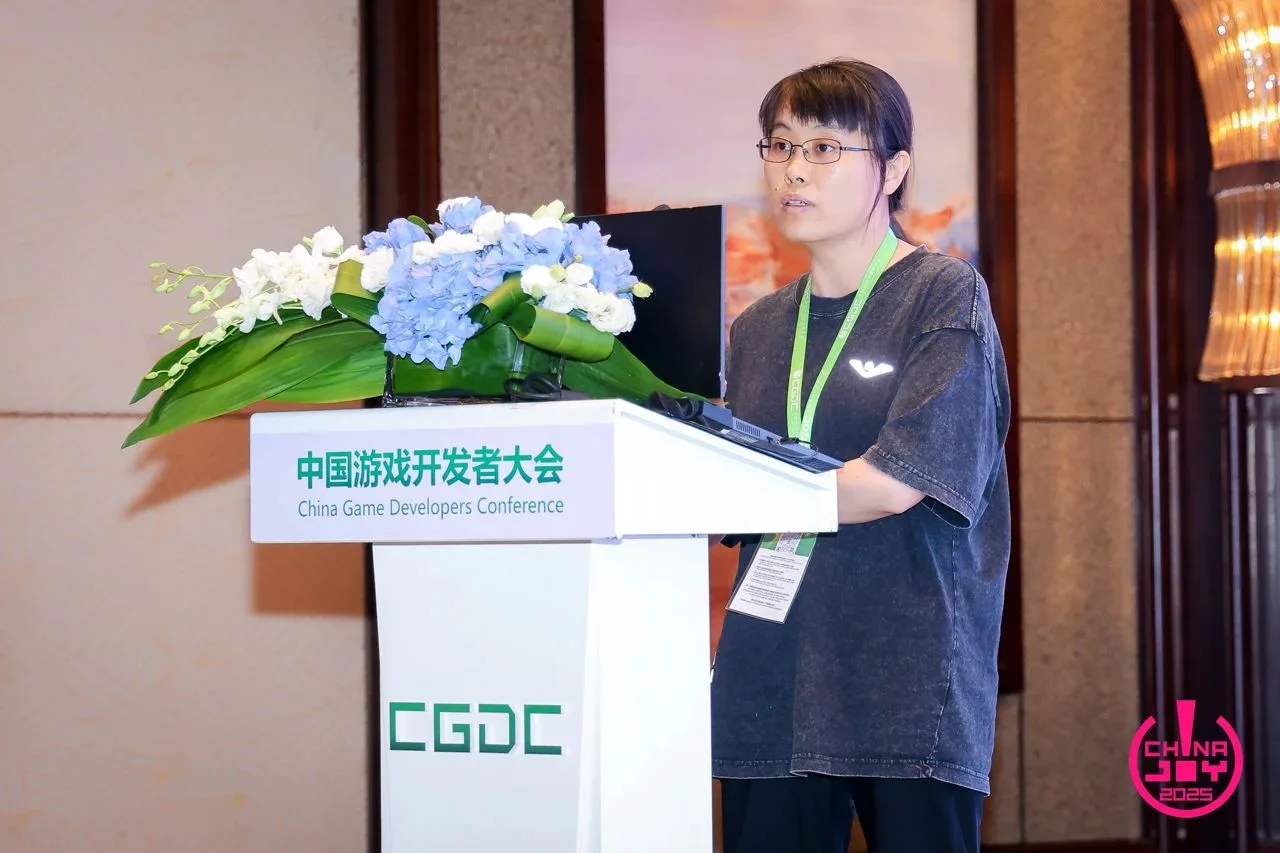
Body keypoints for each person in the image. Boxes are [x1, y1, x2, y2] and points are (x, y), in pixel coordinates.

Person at [710, 58, 1012, 853]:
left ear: (895, 169)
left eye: (824, 148)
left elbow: (896, 482)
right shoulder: (757, 329)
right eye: (781, 146)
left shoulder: (943, 295)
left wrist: (745, 491)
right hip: (771, 678)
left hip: (904, 681)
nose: (794, 169)